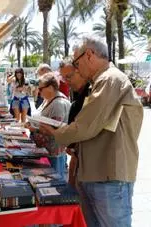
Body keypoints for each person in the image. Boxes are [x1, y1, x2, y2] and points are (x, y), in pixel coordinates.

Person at [40, 37, 143, 227]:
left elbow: (85, 126)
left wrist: (57, 132)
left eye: (77, 64)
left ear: (89, 55)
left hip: (109, 178)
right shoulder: (101, 81)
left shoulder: (110, 79)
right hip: (97, 176)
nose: (76, 69)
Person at [26, 73, 70, 178]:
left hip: (53, 154)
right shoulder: (48, 100)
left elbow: (55, 131)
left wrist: (34, 128)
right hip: (45, 151)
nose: (38, 91)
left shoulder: (58, 104)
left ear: (50, 87)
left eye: (41, 88)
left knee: (53, 182)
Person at [59, 57, 90, 186]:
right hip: (78, 160)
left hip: (91, 166)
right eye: (63, 78)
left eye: (69, 76)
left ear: (80, 71)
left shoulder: (92, 92)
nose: (66, 81)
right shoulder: (79, 94)